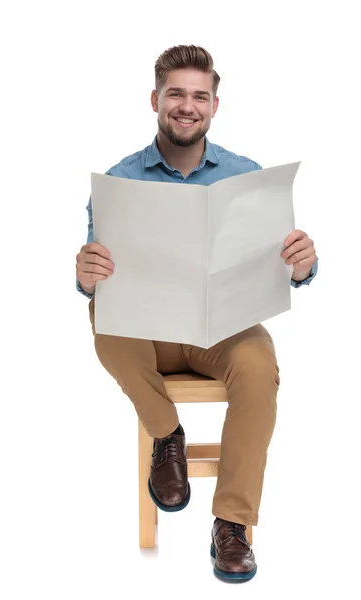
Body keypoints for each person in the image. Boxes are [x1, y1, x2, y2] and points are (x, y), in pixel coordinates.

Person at [75, 45, 318, 582]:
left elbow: (279, 268)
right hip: (147, 332)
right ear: (156, 99)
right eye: (177, 94)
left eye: (199, 96)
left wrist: (301, 266)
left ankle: (231, 526)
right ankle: (167, 434)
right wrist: (85, 273)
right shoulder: (119, 180)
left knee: (259, 368)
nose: (188, 105)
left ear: (214, 105)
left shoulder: (246, 175)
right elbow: (95, 281)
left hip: (221, 331)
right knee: (104, 325)